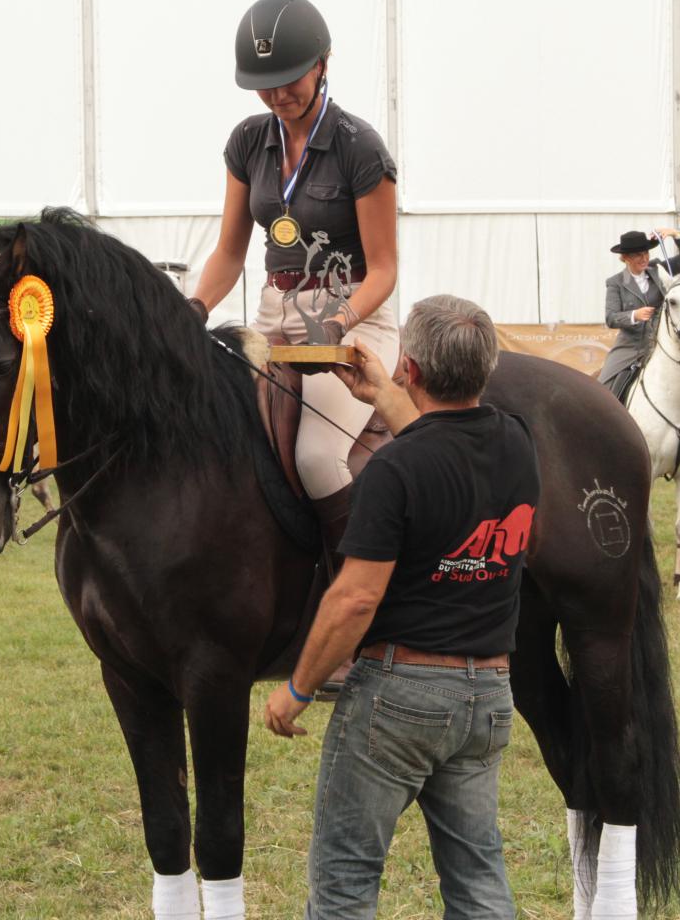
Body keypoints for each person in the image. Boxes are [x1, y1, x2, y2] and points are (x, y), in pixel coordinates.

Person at [265, 295, 541, 919]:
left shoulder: (394, 469)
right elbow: (442, 446)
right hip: (489, 695)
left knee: (345, 881)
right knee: (478, 880)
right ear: (487, 368)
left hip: (400, 697)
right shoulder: (517, 441)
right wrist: (384, 396)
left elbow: (357, 598)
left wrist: (299, 689)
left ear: (410, 369)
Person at [189, 0, 399, 546]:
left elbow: (384, 269)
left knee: (316, 456)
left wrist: (338, 322)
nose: (278, 95)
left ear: (322, 64)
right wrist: (193, 308)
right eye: (265, 84)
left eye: (289, 80)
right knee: (227, 439)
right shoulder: (247, 142)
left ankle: (354, 590)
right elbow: (230, 253)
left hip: (353, 316)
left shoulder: (361, 149)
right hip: (271, 317)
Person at [598, 228, 680, 457]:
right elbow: (610, 318)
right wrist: (633, 316)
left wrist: (677, 234)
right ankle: (602, 441)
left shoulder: (659, 269)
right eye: (637, 255)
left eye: (645, 253)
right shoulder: (615, 283)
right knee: (604, 387)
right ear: (625, 258)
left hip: (665, 344)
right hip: (631, 346)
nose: (643, 258)